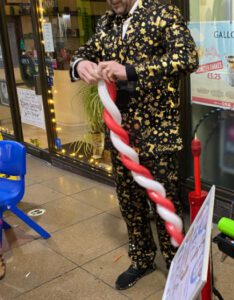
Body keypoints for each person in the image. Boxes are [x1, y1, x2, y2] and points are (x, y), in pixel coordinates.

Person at [70, 0, 198, 291]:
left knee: (166, 203)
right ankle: (142, 259)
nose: (111, 1)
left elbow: (188, 57)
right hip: (120, 137)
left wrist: (130, 70)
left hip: (158, 134)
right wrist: (82, 65)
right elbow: (82, 54)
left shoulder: (163, 13)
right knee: (130, 203)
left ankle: (178, 264)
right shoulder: (105, 22)